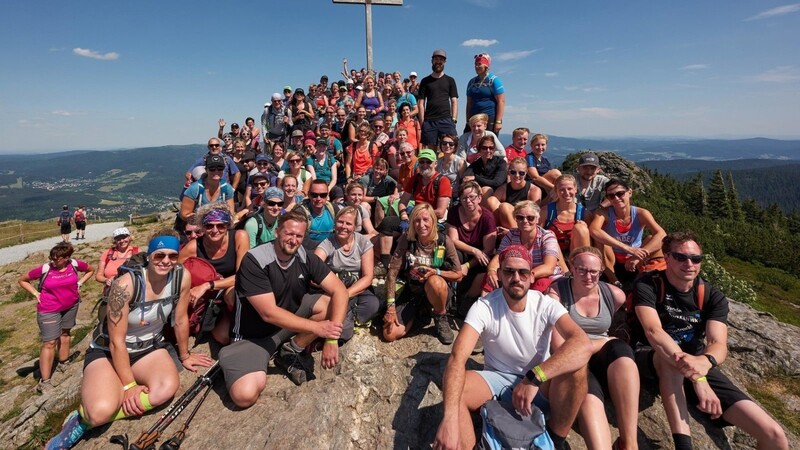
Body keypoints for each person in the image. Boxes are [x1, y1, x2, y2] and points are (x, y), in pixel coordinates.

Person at [44, 231, 212, 450]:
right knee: (98, 414)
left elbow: (180, 320)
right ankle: (81, 419)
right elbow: (116, 342)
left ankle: (112, 401)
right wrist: (130, 386)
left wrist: (185, 355)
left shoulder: (181, 276)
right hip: (107, 352)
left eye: (172, 256)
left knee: (167, 388)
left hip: (149, 347)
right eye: (159, 255)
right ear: (149, 254)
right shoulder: (125, 285)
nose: (166, 261)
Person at [633, 232, 788, 450]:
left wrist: (704, 364)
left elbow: (718, 344)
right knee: (670, 362)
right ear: (666, 257)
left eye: (696, 258)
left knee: (774, 436)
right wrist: (699, 380)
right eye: (680, 257)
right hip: (652, 355)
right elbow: (653, 332)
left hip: (698, 363)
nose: (690, 264)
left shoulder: (712, 296)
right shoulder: (649, 284)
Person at [433, 245, 592, 450]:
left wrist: (535, 377)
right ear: (499, 275)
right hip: (497, 380)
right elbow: (457, 358)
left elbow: (582, 343)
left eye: (523, 272)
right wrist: (449, 419)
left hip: (539, 385)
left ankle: (556, 439)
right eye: (509, 271)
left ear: (531, 276)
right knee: (458, 387)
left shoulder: (545, 304)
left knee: (577, 368)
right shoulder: (485, 306)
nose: (516, 277)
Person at [219, 210, 348, 401]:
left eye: (299, 236)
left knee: (329, 304)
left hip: (287, 322)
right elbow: (268, 313)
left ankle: (291, 349)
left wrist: (331, 339)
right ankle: (237, 354)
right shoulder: (255, 260)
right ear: (277, 232)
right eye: (289, 234)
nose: (294, 240)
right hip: (254, 336)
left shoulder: (305, 257)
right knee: (244, 396)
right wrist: (319, 328)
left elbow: (340, 291)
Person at [546, 247, 637, 450]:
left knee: (622, 353)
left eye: (594, 271)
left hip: (601, 359)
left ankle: (629, 443)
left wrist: (601, 344)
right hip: (572, 361)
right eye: (581, 270)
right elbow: (560, 348)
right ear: (571, 267)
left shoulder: (614, 295)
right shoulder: (557, 292)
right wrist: (602, 342)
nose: (588, 276)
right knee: (586, 393)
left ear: (602, 270)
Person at [18, 242, 94, 393]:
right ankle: (45, 381)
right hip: (49, 309)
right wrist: (35, 293)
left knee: (65, 334)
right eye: (51, 258)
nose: (52, 261)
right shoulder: (45, 269)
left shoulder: (74, 264)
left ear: (66, 258)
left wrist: (79, 283)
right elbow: (22, 280)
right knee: (50, 343)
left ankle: (63, 362)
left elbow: (91, 270)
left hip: (71, 305)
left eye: (56, 259)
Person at [384, 203, 462, 344]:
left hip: (437, 289)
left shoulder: (444, 241)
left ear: (433, 221)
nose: (421, 225)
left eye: (426, 220)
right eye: (417, 220)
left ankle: (440, 315)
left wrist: (436, 272)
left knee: (435, 282)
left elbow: (458, 274)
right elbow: (392, 273)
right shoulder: (406, 239)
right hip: (413, 288)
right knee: (389, 334)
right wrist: (390, 307)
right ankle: (418, 312)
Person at [178, 204, 250, 345]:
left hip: (230, 288)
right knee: (222, 337)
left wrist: (208, 285)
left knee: (235, 296)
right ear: (203, 227)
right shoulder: (194, 247)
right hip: (209, 299)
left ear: (228, 225)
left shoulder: (239, 237)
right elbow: (174, 271)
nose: (215, 230)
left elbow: (242, 275)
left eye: (221, 226)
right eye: (209, 226)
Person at [314, 207, 380, 341]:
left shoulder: (363, 242)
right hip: (334, 286)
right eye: (340, 222)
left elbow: (368, 276)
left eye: (348, 223)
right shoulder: (327, 243)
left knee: (372, 305)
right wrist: (338, 294)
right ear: (335, 223)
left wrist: (344, 296)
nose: (343, 226)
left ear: (355, 226)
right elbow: (314, 267)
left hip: (356, 285)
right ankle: (342, 319)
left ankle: (349, 315)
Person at [589, 179, 666, 287]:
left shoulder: (641, 213)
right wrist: (628, 248)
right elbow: (594, 230)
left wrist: (637, 256)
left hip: (635, 260)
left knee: (653, 239)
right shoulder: (603, 213)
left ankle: (650, 278)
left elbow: (661, 234)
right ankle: (614, 280)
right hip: (612, 260)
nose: (616, 198)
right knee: (600, 240)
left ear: (629, 192)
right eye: (611, 196)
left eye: (620, 194)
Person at [485, 201, 564, 293]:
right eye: (520, 217)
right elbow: (498, 258)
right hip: (519, 274)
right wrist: (491, 271)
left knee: (539, 284)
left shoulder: (547, 236)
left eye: (530, 218)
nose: (525, 221)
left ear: (537, 219)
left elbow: (549, 267)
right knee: (488, 280)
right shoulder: (512, 234)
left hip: (543, 276)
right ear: (516, 219)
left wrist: (524, 275)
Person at [445, 181, 496, 314]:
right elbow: (453, 240)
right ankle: (449, 297)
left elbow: (488, 249)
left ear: (479, 198)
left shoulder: (487, 217)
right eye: (464, 198)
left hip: (481, 257)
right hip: (463, 251)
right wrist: (474, 250)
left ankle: (467, 299)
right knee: (452, 255)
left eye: (472, 197)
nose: (468, 201)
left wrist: (468, 265)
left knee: (484, 265)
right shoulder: (454, 212)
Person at [540, 174, 591, 259]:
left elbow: (591, 241)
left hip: (576, 255)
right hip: (553, 255)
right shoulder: (547, 211)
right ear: (556, 191)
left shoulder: (584, 213)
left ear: (575, 189)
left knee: (581, 228)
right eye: (562, 190)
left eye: (570, 189)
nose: (567, 193)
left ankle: (582, 266)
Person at [487, 157, 542, 230]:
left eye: (521, 173)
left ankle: (514, 234)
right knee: (491, 200)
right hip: (503, 223)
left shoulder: (533, 190)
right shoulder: (502, 189)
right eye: (513, 172)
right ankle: (496, 230)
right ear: (508, 172)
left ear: (526, 173)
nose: (517, 175)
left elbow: (534, 215)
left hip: (524, 224)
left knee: (504, 206)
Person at [418, 49, 459, 147]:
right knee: (431, 152)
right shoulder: (425, 81)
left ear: (445, 62)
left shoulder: (450, 80)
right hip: (429, 121)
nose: (438, 62)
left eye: (441, 59)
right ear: (432, 61)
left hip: (446, 119)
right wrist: (422, 122)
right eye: (436, 59)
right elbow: (421, 104)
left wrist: (454, 119)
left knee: (450, 148)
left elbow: (454, 101)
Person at [180, 154, 236, 224]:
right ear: (206, 170)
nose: (216, 171)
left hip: (219, 228)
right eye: (212, 168)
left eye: (220, 168)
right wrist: (208, 219)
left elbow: (230, 213)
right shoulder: (195, 189)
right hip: (198, 229)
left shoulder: (227, 188)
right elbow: (185, 214)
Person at [399, 148, 452, 221]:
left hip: (434, 219)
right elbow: (403, 202)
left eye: (428, 162)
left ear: (435, 163)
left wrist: (416, 214)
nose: (425, 165)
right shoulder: (415, 179)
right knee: (387, 224)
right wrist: (404, 216)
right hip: (415, 217)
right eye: (422, 162)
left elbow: (440, 212)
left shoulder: (443, 181)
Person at [464, 53, 505, 134]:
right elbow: (469, 103)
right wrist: (468, 120)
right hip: (474, 118)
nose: (476, 66)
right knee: (468, 141)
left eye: (479, 64)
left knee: (487, 143)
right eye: (475, 64)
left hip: (489, 118)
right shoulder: (472, 82)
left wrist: (498, 121)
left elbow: (501, 101)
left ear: (486, 66)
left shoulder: (494, 80)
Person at [295, 180, 340, 250]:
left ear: (327, 195)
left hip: (332, 249)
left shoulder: (333, 209)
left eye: (323, 195)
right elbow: (305, 242)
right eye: (314, 195)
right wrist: (328, 246)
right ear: (309, 195)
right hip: (310, 252)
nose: (319, 199)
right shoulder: (300, 213)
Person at [96, 227, 141, 294]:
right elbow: (98, 275)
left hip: (133, 292)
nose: (122, 241)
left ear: (129, 237)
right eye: (118, 239)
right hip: (111, 292)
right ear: (115, 241)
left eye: (124, 237)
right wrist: (106, 280)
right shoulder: (107, 253)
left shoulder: (137, 252)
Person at [574, 152, 610, 221]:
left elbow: (616, 190)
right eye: (585, 167)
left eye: (593, 168)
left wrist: (601, 207)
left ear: (598, 170)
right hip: (574, 215)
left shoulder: (601, 180)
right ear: (578, 168)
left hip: (595, 216)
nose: (589, 171)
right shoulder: (571, 180)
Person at [435, 133, 466, 201]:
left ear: (455, 146)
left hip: (454, 196)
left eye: (451, 144)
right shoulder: (437, 162)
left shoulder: (460, 162)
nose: (447, 146)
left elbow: (463, 183)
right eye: (444, 143)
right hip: (439, 195)